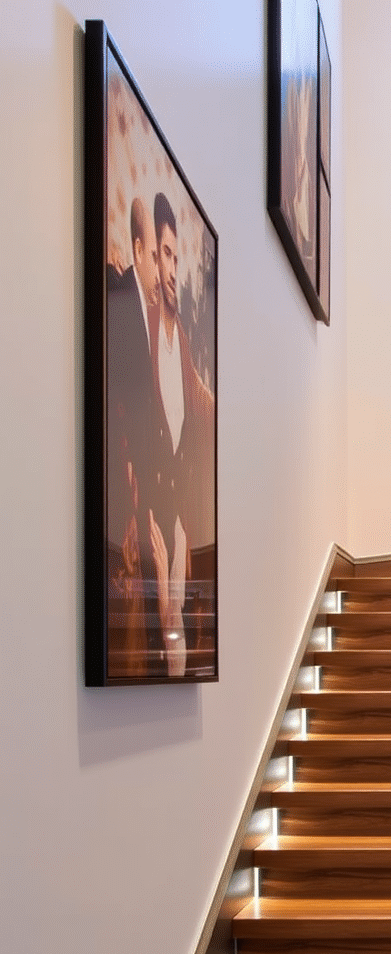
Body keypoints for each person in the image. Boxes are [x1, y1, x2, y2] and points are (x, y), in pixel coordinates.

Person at [147, 191, 215, 678]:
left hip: (178, 515)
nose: (171, 267)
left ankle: (176, 665)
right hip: (154, 505)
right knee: (166, 616)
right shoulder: (145, 330)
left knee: (178, 623)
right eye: (164, 254)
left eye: (176, 255)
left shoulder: (184, 346)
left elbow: (197, 423)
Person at [105, 197, 160, 675]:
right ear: (139, 250)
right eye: (160, 255)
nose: (165, 271)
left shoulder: (146, 310)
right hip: (122, 487)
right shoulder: (120, 297)